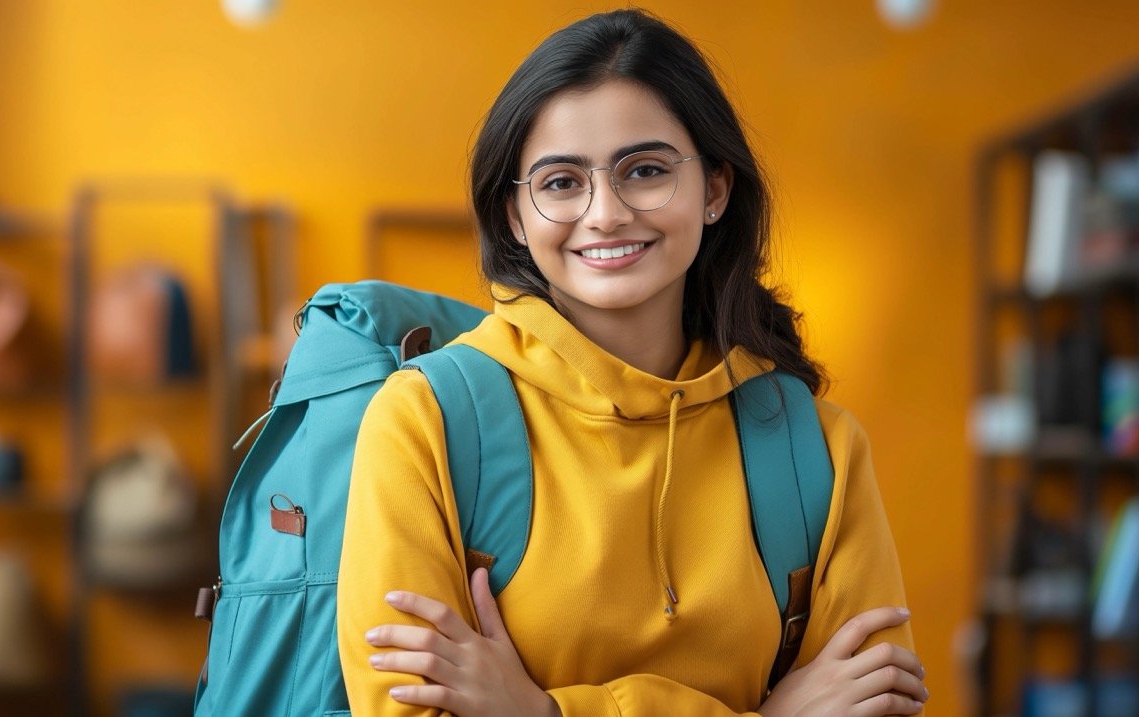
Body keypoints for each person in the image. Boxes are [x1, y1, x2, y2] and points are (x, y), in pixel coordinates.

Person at [337, 8, 926, 716]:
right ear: (514, 217)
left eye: (644, 170)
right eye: (560, 181)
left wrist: (537, 711)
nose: (606, 211)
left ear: (714, 189)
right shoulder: (424, 422)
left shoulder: (820, 451)